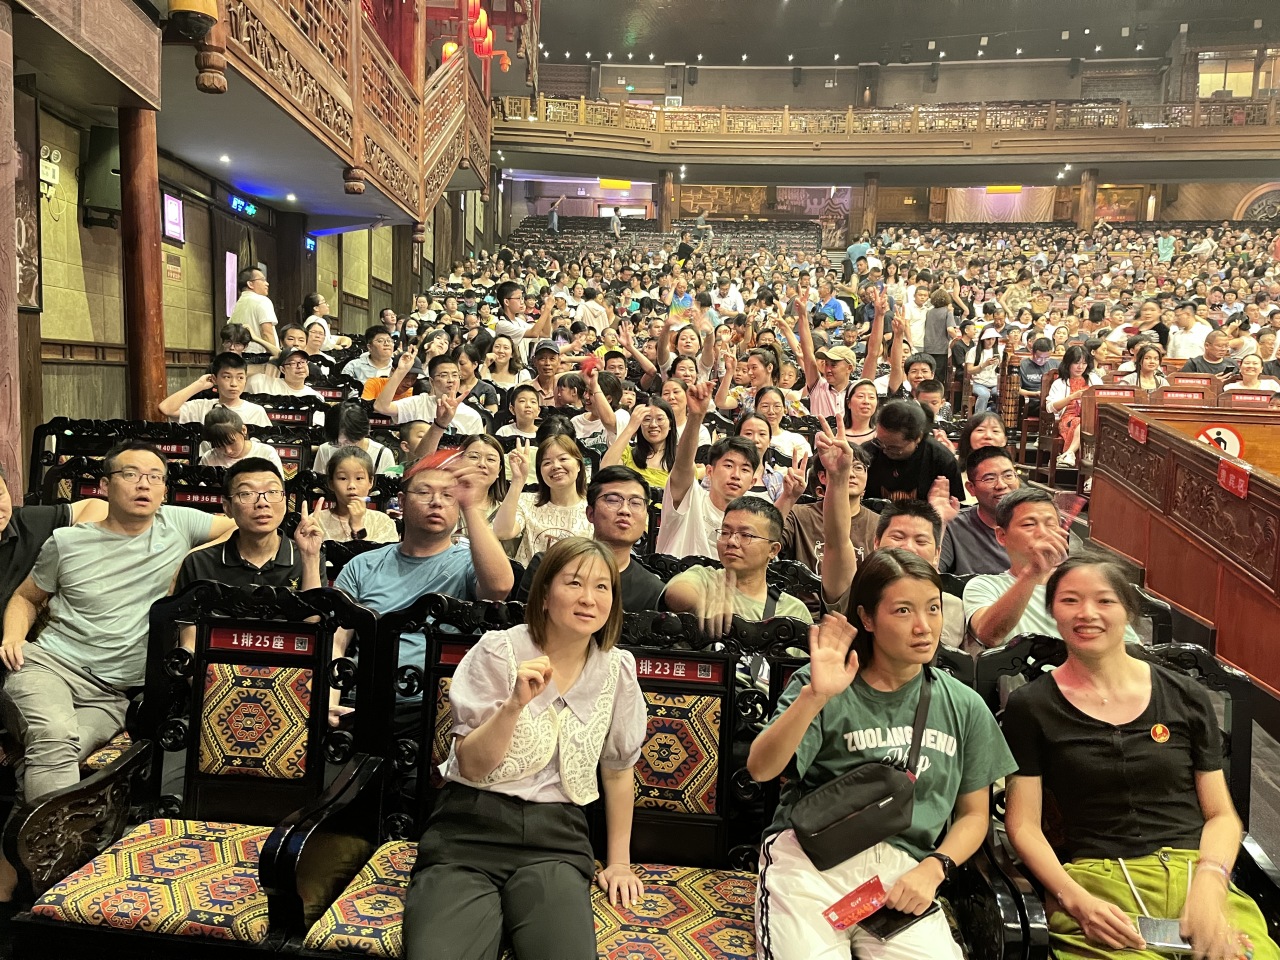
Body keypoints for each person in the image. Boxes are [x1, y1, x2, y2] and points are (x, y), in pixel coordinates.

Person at [1003, 555, 1279, 960]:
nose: (1087, 613)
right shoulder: (1031, 706)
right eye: (1070, 600)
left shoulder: (1185, 695)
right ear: (1052, 612)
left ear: (1129, 611)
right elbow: (1023, 825)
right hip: (1099, 883)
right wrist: (1074, 899)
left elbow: (1221, 814)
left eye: (1105, 601)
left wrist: (1210, 882)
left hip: (1197, 872)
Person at [748, 550, 1016, 960]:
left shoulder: (964, 705)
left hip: (902, 875)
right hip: (812, 863)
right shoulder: (825, 682)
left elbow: (975, 815)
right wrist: (815, 696)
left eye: (933, 608)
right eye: (903, 611)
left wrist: (934, 869)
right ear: (868, 618)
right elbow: (761, 769)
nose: (924, 626)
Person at [402, 537, 647, 960]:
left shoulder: (617, 668)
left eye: (602, 587)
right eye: (574, 583)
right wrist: (513, 706)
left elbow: (618, 770)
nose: (588, 598)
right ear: (545, 594)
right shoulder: (498, 651)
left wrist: (619, 863)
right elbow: (471, 767)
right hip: (468, 831)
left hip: (556, 841)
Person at [1, 443, 236, 814]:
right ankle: (57, 845)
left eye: (155, 477)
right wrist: (13, 637)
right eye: (131, 474)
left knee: (51, 753)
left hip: (113, 694)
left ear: (164, 489)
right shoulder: (68, 541)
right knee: (53, 735)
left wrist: (189, 561)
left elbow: (236, 526)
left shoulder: (178, 524)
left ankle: (25, 834)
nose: (144, 484)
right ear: (105, 486)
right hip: (49, 667)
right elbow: (27, 598)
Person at [332, 457, 515, 733]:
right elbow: (336, 641)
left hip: (439, 708)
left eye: (448, 496)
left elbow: (499, 588)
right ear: (402, 502)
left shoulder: (467, 564)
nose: (437, 502)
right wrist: (329, 702)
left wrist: (470, 507)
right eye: (425, 492)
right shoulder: (362, 565)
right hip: (363, 701)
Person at [964, 487, 1140, 650]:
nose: (1043, 532)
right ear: (1002, 536)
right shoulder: (984, 586)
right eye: (1029, 524)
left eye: (1050, 524)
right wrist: (1033, 573)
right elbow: (989, 636)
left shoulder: (1086, 582)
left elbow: (1130, 647)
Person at [516, 465, 664, 612]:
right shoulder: (547, 566)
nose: (625, 510)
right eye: (613, 500)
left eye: (636, 503)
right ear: (590, 513)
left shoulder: (653, 591)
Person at [173, 457, 324, 595]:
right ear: (227, 507)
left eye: (272, 491)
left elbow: (315, 616)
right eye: (247, 493)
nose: (262, 503)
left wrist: (310, 559)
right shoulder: (198, 563)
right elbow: (185, 616)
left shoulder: (307, 556)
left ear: (285, 501)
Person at [663, 496, 814, 628]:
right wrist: (702, 602)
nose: (731, 541)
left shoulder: (792, 610)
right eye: (725, 532)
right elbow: (676, 594)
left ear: (773, 550)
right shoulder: (703, 577)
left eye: (746, 535)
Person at [656, 382, 759, 558]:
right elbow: (682, 466)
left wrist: (788, 497)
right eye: (728, 465)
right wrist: (695, 417)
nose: (736, 475)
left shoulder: (751, 521)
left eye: (744, 469)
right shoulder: (690, 498)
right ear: (709, 472)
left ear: (752, 482)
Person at [780, 440, 876, 575]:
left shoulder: (879, 524)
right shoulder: (798, 515)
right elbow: (764, 541)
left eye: (858, 467)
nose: (851, 474)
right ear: (822, 477)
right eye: (842, 467)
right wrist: (787, 498)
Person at [493, 435, 592, 565]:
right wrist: (518, 480)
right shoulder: (526, 502)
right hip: (530, 576)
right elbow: (502, 532)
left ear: (579, 465)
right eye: (547, 463)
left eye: (563, 459)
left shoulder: (593, 508)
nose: (556, 466)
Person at [940, 447, 1023, 575]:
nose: (1001, 485)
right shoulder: (953, 527)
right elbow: (929, 575)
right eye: (989, 478)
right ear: (971, 488)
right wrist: (940, 522)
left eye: (1008, 475)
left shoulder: (1036, 521)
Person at [863, 400, 963, 503]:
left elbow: (955, 507)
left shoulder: (942, 461)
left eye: (894, 448)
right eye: (880, 442)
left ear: (918, 437)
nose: (885, 451)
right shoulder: (867, 453)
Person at [375, 347, 485, 436]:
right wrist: (400, 371)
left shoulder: (472, 416)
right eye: (444, 375)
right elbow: (381, 407)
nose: (451, 380)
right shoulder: (417, 404)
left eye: (455, 375)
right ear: (432, 382)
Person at [159, 352, 272, 428]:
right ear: (214, 379)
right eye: (227, 377)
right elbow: (166, 408)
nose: (234, 384)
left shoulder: (256, 411)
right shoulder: (201, 407)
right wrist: (199, 385)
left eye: (240, 378)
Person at [313, 446, 399, 544]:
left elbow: (386, 554)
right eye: (343, 478)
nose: (351, 486)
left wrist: (358, 528)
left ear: (370, 481)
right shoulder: (317, 521)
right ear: (331, 483)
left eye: (359, 478)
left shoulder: (382, 522)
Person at [1046, 344, 1103, 468]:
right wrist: (1071, 397)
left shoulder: (1094, 379)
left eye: (1084, 363)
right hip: (1068, 418)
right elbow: (1050, 407)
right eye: (1076, 363)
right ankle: (1071, 454)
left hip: (1091, 416)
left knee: (1095, 425)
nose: (1080, 367)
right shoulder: (1060, 383)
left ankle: (1068, 455)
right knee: (1081, 423)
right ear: (1068, 363)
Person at [602, 399, 676, 490]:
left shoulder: (680, 460)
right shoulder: (627, 454)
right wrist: (630, 427)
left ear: (670, 424)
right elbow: (604, 472)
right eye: (647, 419)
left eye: (660, 419)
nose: (653, 425)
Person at [313, 401, 397, 475]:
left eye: (348, 441)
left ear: (363, 432)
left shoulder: (383, 455)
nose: (343, 447)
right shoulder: (325, 450)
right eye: (337, 443)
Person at [198, 405, 284, 471]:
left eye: (231, 443)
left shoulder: (266, 453)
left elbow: (278, 486)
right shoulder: (209, 459)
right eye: (219, 446)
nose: (228, 451)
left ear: (243, 430)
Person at [231, 267, 279, 363]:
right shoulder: (262, 300)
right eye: (262, 280)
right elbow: (267, 333)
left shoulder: (237, 305)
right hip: (261, 357)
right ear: (250, 284)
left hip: (240, 357)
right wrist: (275, 358)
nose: (267, 283)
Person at [247, 346, 324, 398]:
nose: (300, 366)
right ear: (283, 369)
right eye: (293, 363)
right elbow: (242, 371)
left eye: (303, 362)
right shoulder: (263, 383)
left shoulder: (315, 397)